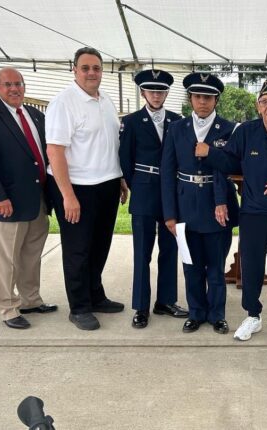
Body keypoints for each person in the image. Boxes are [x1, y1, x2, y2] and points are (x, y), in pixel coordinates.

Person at [195, 79, 267, 344]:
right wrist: (209, 153)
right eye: (265, 102)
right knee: (251, 264)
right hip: (253, 210)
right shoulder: (245, 132)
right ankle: (253, 316)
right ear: (258, 106)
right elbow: (228, 163)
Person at [45, 47, 129, 331]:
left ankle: (95, 296)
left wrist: (118, 178)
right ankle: (79, 307)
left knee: (100, 245)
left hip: (106, 184)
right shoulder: (63, 103)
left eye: (96, 68)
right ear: (75, 70)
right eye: (85, 68)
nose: (91, 73)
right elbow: (55, 151)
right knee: (78, 250)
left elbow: (109, 144)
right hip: (77, 187)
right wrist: (67, 195)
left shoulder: (105, 99)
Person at [0, 67, 58, 330]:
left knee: (31, 253)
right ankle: (8, 307)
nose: (14, 89)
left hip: (38, 198)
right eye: (8, 84)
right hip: (8, 201)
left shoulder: (35, 115)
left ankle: (30, 299)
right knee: (6, 258)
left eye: (18, 83)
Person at [161, 72, 237, 334]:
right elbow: (167, 172)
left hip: (217, 205)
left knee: (215, 267)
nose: (203, 102)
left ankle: (217, 315)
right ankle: (195, 312)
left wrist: (211, 152)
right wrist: (169, 214)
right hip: (186, 205)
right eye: (198, 97)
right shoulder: (176, 128)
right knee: (191, 265)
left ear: (216, 100)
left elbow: (234, 164)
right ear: (190, 99)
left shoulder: (229, 128)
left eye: (208, 97)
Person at [119, 68, 188, 329]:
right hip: (145, 190)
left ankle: (166, 301)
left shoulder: (177, 120)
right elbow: (125, 159)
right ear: (143, 93)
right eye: (151, 90)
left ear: (167, 93)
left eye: (161, 91)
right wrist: (136, 186)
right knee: (142, 253)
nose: (156, 95)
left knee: (170, 249)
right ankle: (141, 307)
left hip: (171, 192)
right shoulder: (132, 121)